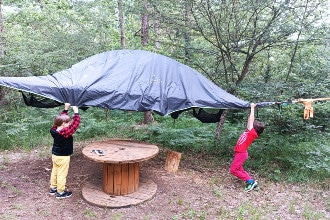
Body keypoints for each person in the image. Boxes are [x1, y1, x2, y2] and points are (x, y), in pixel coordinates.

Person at [229, 103, 265, 192]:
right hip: (240, 153)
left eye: (252, 125)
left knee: (233, 170)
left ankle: (250, 181)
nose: (250, 124)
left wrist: (252, 108)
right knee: (239, 169)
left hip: (241, 153)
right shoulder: (249, 132)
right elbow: (250, 121)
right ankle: (252, 182)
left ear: (254, 128)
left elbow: (250, 120)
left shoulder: (251, 133)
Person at [49, 103, 80, 199]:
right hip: (63, 156)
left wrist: (65, 109)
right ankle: (60, 192)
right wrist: (76, 112)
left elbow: (58, 120)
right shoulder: (65, 132)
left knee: (55, 171)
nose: (69, 123)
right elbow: (75, 124)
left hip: (55, 155)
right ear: (63, 124)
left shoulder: (54, 129)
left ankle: (53, 188)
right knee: (62, 174)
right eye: (67, 122)